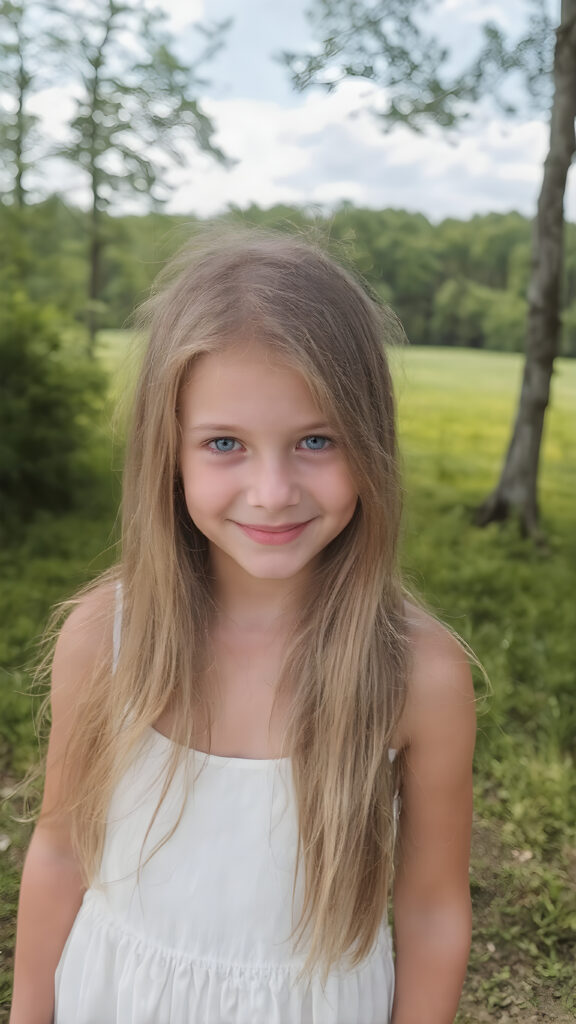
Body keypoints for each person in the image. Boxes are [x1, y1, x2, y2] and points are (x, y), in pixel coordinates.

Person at [10, 229, 477, 1024]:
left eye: (316, 441)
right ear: (171, 453)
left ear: (371, 443)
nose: (271, 490)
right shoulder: (105, 639)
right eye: (225, 443)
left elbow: (432, 910)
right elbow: (60, 851)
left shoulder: (419, 675)